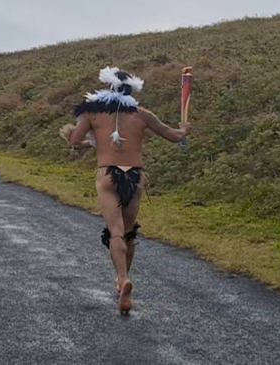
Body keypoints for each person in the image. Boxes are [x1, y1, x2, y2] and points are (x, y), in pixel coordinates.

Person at [61, 66, 191, 314]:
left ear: (109, 88)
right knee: (129, 231)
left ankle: (122, 280)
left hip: (108, 174)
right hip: (135, 176)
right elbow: (173, 136)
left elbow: (74, 143)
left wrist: (92, 143)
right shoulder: (143, 115)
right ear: (132, 90)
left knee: (116, 232)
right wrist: (184, 129)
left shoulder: (93, 114)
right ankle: (124, 279)